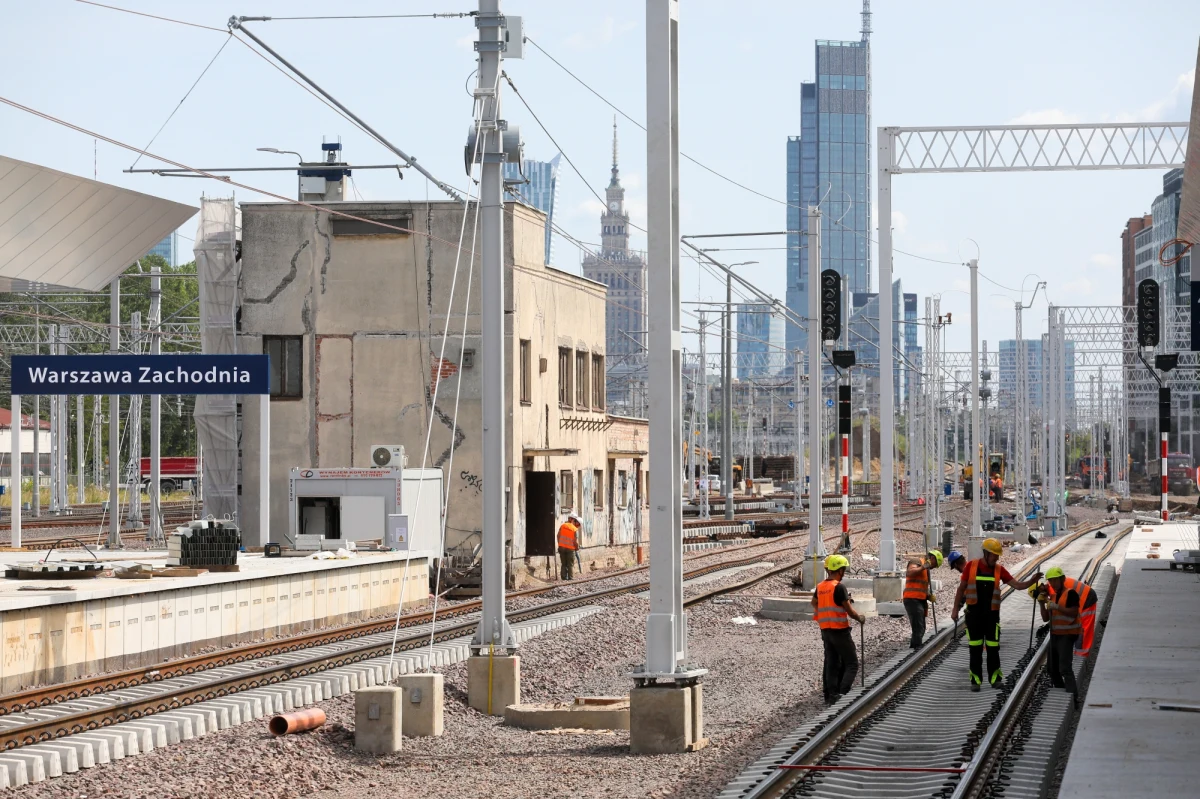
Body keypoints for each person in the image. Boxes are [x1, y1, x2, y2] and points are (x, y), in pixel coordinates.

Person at [950, 538, 1042, 691]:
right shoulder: (970, 567)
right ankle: (975, 681)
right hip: (974, 615)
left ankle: (995, 679)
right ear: (986, 553)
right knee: (975, 648)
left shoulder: (999, 570)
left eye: (997, 556)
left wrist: (1031, 581)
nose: (997, 558)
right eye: (994, 555)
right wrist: (955, 609)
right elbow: (961, 589)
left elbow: (1017, 585)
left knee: (993, 648)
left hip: (991, 616)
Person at [811, 553, 866, 705]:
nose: (844, 573)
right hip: (840, 631)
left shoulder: (821, 586)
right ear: (839, 570)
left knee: (832, 662)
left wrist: (824, 616)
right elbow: (849, 611)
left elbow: (814, 602)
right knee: (852, 663)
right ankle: (843, 693)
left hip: (825, 630)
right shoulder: (839, 587)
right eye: (843, 569)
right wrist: (859, 618)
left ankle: (831, 695)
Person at [1036, 566, 1095, 707]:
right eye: (1051, 581)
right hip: (1055, 635)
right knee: (1052, 669)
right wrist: (1042, 604)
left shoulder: (1071, 594)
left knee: (1065, 668)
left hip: (1067, 636)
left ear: (1062, 579)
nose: (1053, 583)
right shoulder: (1053, 596)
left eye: (1055, 580)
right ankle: (1061, 693)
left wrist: (1056, 607)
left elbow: (1073, 612)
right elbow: (1045, 619)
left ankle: (1073, 698)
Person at [1041, 567, 1098, 658]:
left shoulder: (1053, 589)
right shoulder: (1053, 585)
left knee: (1084, 627)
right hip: (1083, 597)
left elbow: (1058, 609)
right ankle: (1079, 651)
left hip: (1087, 598)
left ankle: (1082, 654)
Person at [903, 549, 943, 649]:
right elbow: (910, 572)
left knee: (921, 628)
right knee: (918, 628)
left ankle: (915, 648)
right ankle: (915, 651)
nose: (934, 568)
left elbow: (922, 588)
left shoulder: (927, 571)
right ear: (932, 558)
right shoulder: (917, 562)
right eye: (935, 565)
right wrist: (924, 566)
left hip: (919, 600)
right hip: (912, 599)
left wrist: (929, 596)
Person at [556, 514, 580, 580]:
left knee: (563, 564)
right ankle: (570, 578)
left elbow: (558, 536)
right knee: (570, 564)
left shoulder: (562, 526)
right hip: (571, 549)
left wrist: (560, 544)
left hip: (562, 547)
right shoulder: (574, 529)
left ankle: (563, 578)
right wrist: (577, 548)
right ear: (573, 520)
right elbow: (575, 541)